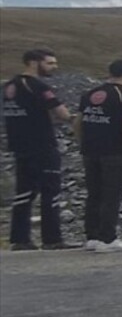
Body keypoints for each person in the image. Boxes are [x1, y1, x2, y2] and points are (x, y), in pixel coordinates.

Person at [3, 49, 76, 250]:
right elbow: (61, 112)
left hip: (20, 146)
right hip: (42, 145)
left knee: (24, 192)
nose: (54, 67)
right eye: (50, 63)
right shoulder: (37, 85)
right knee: (50, 191)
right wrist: (75, 121)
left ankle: (20, 239)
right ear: (34, 63)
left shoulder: (10, 85)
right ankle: (52, 239)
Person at [77, 59, 122, 253]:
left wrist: (83, 143)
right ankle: (108, 239)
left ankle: (92, 237)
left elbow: (78, 122)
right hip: (115, 152)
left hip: (90, 152)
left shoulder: (90, 94)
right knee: (111, 195)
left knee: (94, 194)